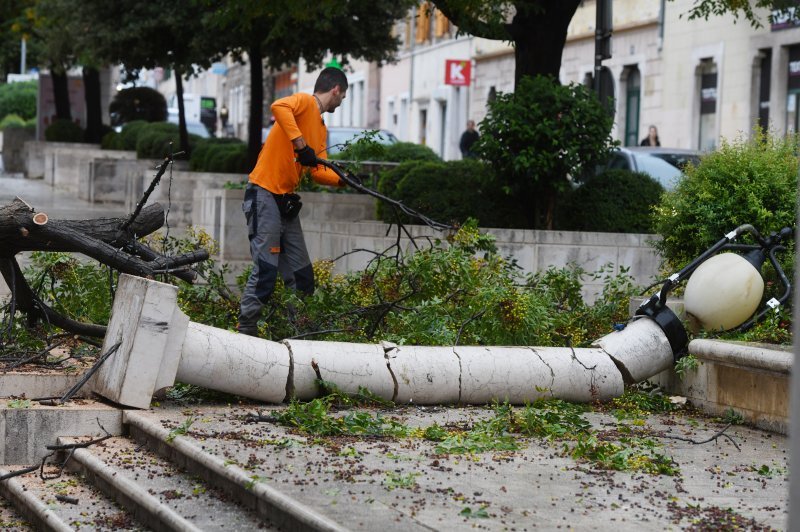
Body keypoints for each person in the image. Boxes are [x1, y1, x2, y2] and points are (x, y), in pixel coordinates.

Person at [237, 67, 349, 336]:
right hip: (263, 194)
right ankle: (246, 330)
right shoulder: (303, 102)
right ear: (335, 89)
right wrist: (301, 145)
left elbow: (316, 171)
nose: (342, 101)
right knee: (265, 271)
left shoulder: (320, 128)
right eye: (343, 96)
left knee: (302, 279)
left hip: (285, 202)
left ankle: (298, 336)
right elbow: (278, 106)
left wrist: (344, 179)